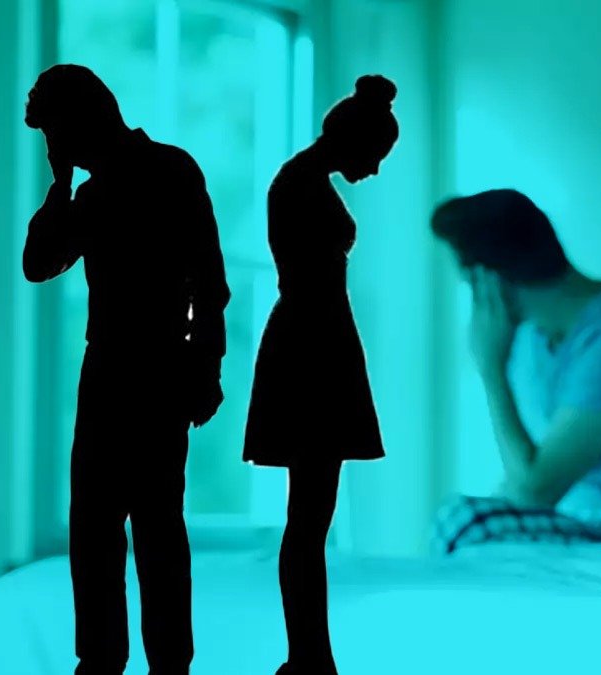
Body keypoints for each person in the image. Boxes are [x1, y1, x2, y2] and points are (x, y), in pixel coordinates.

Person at [22, 64, 230, 675]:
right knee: (96, 525)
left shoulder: (170, 170)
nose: (56, 145)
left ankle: (166, 662)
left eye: (56, 132)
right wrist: (60, 186)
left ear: (84, 120)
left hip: (156, 367)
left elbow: (209, 281)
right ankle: (103, 659)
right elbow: (39, 263)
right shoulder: (91, 194)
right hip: (110, 369)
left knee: (155, 525)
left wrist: (206, 365)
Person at [429, 189, 601, 554]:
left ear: (489, 278)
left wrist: (490, 368)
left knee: (461, 519)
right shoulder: (535, 337)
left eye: (470, 283)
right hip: (580, 518)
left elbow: (534, 491)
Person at [242, 74, 398, 675]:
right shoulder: (300, 185)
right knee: (307, 523)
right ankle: (309, 655)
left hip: (317, 344)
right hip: (312, 350)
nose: (375, 170)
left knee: (309, 521)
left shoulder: (302, 181)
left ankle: (311, 653)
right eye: (375, 155)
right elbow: (310, 281)